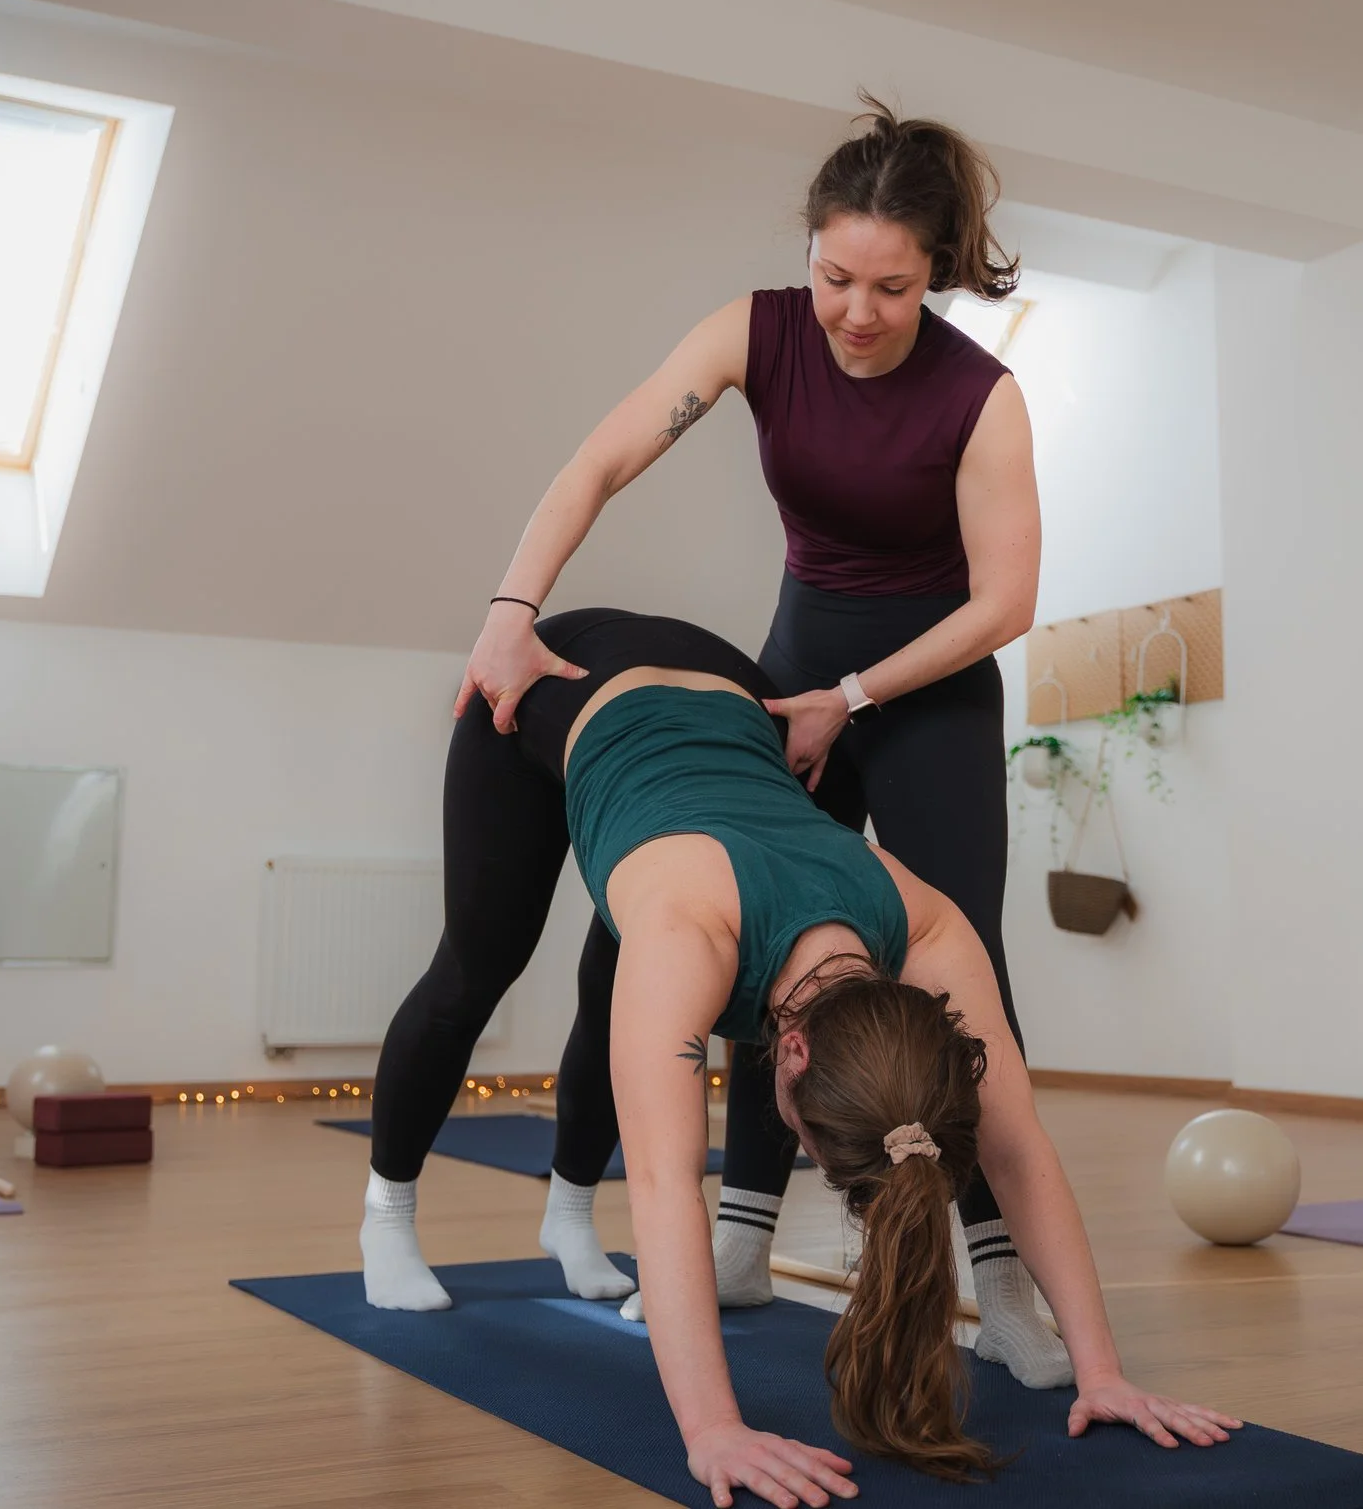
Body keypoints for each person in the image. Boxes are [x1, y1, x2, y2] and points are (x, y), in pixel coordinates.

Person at [456, 99, 1066, 1386]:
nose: (855, 309)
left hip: (927, 683)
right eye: (834, 275)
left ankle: (1002, 1283)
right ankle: (739, 1240)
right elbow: (602, 458)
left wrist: (857, 692)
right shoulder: (754, 332)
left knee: (967, 976)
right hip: (794, 676)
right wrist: (511, 610)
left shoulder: (979, 394)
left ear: (939, 271)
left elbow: (1002, 604)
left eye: (891, 287)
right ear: (809, 253)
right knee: (768, 944)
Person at [373, 609, 1235, 1509]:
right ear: (788, 1050)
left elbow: (1019, 1149)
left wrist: (1103, 1371)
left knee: (607, 1003)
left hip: (724, 713)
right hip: (563, 677)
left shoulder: (929, 929)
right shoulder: (685, 935)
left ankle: (565, 1215)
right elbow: (669, 1188)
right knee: (475, 968)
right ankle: (384, 1211)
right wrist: (712, 1429)